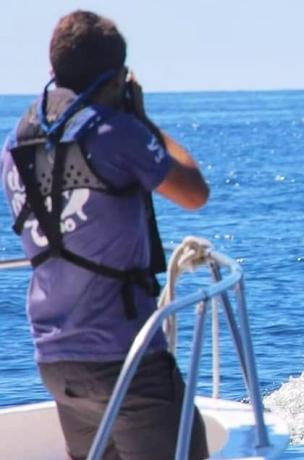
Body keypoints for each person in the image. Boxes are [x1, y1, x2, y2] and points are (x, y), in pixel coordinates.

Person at [0, 10, 210, 460]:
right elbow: (194, 192)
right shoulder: (116, 133)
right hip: (126, 359)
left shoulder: (15, 143)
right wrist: (141, 117)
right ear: (116, 77)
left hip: (55, 358)